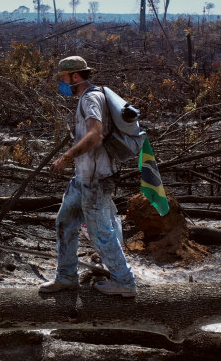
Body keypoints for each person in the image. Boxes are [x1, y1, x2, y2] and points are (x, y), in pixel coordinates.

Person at [39, 56, 137, 297]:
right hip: (83, 178)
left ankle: (124, 282)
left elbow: (95, 135)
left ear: (75, 76)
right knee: (65, 223)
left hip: (95, 179)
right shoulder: (88, 97)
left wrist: (67, 157)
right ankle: (66, 278)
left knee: (100, 232)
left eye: (63, 77)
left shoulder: (91, 98)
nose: (61, 82)